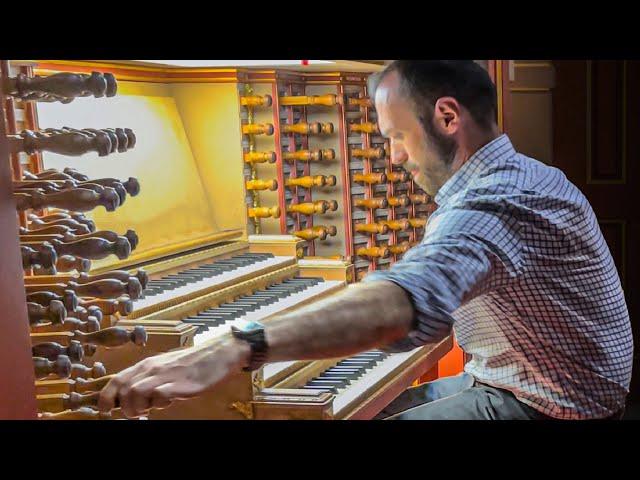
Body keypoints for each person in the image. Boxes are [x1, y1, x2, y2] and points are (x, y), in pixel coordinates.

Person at [98, 60, 633, 420]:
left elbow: (406, 302)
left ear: (447, 117)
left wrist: (239, 344)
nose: (395, 158)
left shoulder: (497, 200)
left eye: (396, 137)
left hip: (555, 402)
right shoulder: (521, 175)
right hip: (526, 375)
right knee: (374, 408)